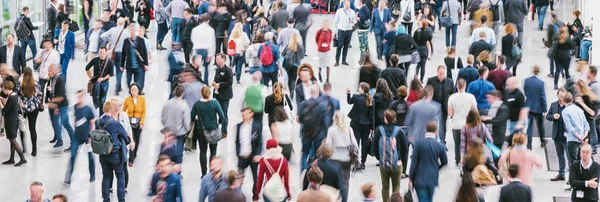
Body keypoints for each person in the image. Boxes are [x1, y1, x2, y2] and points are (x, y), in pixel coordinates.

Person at [372, 110, 408, 202]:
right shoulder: (399, 131)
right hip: (397, 163)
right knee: (396, 187)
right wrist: (403, 164)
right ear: (394, 119)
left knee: (385, 186)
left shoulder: (379, 130)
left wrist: (380, 158)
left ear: (385, 119)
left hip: (383, 164)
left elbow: (373, 148)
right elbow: (405, 149)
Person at [98, 101, 130, 202]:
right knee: (120, 176)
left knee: (106, 176)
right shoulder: (115, 123)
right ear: (111, 110)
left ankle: (106, 198)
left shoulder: (98, 122)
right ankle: (121, 199)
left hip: (102, 153)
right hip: (115, 154)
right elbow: (126, 136)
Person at [408, 121, 448, 202]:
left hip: (420, 179)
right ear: (436, 131)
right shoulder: (440, 146)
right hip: (432, 179)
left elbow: (414, 163)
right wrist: (436, 168)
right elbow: (445, 162)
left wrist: (410, 178)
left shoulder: (419, 144)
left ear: (426, 130)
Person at [64, 90, 96, 184]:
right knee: (73, 155)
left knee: (90, 156)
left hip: (87, 137)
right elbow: (75, 119)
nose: (78, 99)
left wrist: (91, 136)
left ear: (84, 97)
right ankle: (68, 178)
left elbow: (92, 123)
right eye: (77, 97)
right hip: (77, 137)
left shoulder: (88, 109)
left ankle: (92, 175)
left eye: (80, 97)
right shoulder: (75, 107)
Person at [325, 111, 357, 201]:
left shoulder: (331, 130)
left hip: (334, 159)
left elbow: (328, 145)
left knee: (334, 182)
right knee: (345, 182)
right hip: (346, 159)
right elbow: (354, 144)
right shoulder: (349, 130)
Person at [236, 107, 264, 201]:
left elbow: (260, 141)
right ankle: (238, 196)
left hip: (253, 156)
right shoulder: (239, 126)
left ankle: (255, 197)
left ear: (251, 114)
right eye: (243, 115)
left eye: (246, 114)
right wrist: (237, 152)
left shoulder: (256, 125)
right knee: (239, 178)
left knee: (255, 178)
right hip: (242, 156)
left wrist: (258, 154)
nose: (244, 117)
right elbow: (237, 141)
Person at [298, 84, 328, 171]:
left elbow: (300, 118)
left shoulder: (303, 104)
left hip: (306, 132)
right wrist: (325, 136)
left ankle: (303, 171)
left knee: (305, 153)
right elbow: (325, 122)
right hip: (318, 133)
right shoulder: (322, 106)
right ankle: (315, 171)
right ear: (318, 92)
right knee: (317, 154)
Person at [448, 79, 478, 165]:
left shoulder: (451, 97)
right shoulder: (471, 97)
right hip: (468, 125)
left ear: (457, 86)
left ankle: (458, 162)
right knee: (468, 143)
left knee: (457, 144)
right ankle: (467, 160)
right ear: (465, 86)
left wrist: (454, 114)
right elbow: (475, 111)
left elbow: (450, 113)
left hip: (456, 125)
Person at [161, 85, 191, 165]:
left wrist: (166, 127)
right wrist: (188, 130)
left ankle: (168, 166)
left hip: (168, 132)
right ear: (183, 93)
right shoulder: (184, 105)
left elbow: (163, 118)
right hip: (179, 133)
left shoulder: (167, 103)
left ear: (174, 92)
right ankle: (177, 169)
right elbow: (186, 122)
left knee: (167, 151)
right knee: (179, 152)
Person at [46, 64, 74, 149]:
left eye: (50, 70)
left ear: (55, 70)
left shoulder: (60, 79)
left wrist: (55, 104)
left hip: (62, 105)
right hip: (58, 105)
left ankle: (73, 141)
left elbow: (61, 95)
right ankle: (59, 139)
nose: (49, 72)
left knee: (65, 123)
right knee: (55, 121)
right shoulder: (53, 79)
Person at [347, 82, 374, 168]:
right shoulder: (371, 100)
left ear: (362, 89)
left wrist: (348, 94)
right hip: (366, 124)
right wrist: (372, 127)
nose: (358, 89)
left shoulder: (356, 97)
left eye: (360, 88)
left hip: (356, 122)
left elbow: (349, 102)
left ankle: (356, 160)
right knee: (365, 143)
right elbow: (371, 115)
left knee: (356, 142)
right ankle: (363, 162)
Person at [100, 18, 130, 95]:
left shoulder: (112, 30)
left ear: (117, 23)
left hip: (113, 53)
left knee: (111, 68)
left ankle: (106, 86)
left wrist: (110, 39)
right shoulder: (126, 33)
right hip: (122, 53)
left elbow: (102, 36)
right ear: (123, 24)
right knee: (119, 70)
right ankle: (118, 86)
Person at [426, 65, 454, 147]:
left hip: (444, 106)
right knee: (433, 124)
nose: (442, 75)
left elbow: (452, 94)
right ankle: (433, 141)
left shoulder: (449, 81)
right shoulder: (431, 80)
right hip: (434, 106)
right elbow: (427, 91)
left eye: (443, 73)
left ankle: (442, 143)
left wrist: (451, 107)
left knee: (442, 125)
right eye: (440, 73)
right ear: (437, 72)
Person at [0, 81, 26, 166]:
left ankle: (22, 158)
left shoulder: (11, 97)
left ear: (7, 88)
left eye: (3, 88)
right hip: (14, 120)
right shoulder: (14, 95)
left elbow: (4, 110)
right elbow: (10, 105)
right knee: (12, 139)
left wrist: (0, 103)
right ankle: (12, 158)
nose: (2, 89)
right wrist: (3, 100)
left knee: (12, 140)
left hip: (10, 121)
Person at [19, 67, 42, 156]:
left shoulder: (20, 84)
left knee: (22, 128)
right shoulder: (36, 84)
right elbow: (40, 96)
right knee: (32, 128)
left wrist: (22, 104)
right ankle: (34, 149)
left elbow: (17, 96)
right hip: (34, 109)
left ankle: (24, 148)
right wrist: (36, 103)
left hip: (23, 109)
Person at [562, 92, 589, 166]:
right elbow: (586, 125)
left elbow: (569, 127)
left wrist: (579, 137)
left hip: (573, 139)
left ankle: (574, 177)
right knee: (582, 162)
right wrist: (584, 136)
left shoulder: (565, 111)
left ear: (563, 100)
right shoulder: (579, 110)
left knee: (573, 163)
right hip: (582, 139)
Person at [122, 83, 146, 166]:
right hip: (130, 122)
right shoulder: (127, 100)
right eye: (132, 90)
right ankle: (131, 159)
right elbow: (123, 111)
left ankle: (134, 153)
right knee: (132, 139)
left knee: (137, 140)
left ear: (138, 90)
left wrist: (142, 122)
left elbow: (143, 112)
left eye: (135, 89)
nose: (134, 91)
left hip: (138, 122)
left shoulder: (142, 100)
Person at [524, 66, 548, 149]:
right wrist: (545, 109)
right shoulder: (540, 83)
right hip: (538, 107)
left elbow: (526, 93)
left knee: (529, 127)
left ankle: (529, 144)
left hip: (529, 106)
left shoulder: (527, 81)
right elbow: (542, 97)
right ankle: (542, 141)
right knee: (540, 125)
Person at [85, 47, 114, 115]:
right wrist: (91, 77)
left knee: (102, 100)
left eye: (103, 52)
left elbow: (111, 73)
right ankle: (96, 111)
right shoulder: (95, 60)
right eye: (100, 52)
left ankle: (101, 115)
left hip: (105, 83)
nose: (101, 54)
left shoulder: (109, 62)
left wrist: (103, 78)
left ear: (106, 52)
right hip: (96, 82)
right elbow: (87, 68)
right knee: (96, 99)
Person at [120, 24, 149, 93]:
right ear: (129, 32)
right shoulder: (126, 41)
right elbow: (123, 54)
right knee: (128, 81)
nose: (133, 32)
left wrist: (146, 64)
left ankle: (137, 95)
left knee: (138, 82)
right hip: (129, 66)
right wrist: (122, 65)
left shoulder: (141, 40)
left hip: (139, 66)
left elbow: (145, 53)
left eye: (134, 30)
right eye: (131, 30)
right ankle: (131, 92)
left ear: (136, 31)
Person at [548, 88, 569, 181]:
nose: (561, 98)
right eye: (560, 96)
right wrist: (553, 116)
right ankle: (561, 173)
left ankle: (572, 176)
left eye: (563, 96)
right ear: (557, 95)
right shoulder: (553, 105)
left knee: (570, 157)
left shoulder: (569, 106)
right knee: (560, 155)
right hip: (557, 134)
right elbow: (548, 116)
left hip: (567, 135)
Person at [481, 90, 509, 157]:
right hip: (492, 136)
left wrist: (487, 119)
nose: (487, 100)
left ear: (496, 97)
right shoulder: (492, 107)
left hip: (498, 137)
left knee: (496, 157)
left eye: (489, 97)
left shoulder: (503, 107)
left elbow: (500, 120)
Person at [574, 80, 599, 153]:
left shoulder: (586, 97)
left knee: (592, 132)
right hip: (583, 119)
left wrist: (581, 103)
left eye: (576, 86)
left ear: (579, 87)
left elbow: (591, 112)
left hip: (588, 118)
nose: (575, 88)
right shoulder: (578, 96)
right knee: (590, 132)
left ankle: (593, 148)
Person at [212, 53, 233, 136]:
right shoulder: (217, 70)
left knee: (224, 113)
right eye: (216, 59)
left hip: (224, 95)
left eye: (218, 59)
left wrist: (220, 85)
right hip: (217, 94)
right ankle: (217, 127)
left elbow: (230, 82)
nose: (217, 61)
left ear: (224, 59)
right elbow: (215, 78)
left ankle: (224, 131)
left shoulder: (228, 70)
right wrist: (214, 83)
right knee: (217, 112)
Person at [333, 0, 357, 66]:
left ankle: (344, 60)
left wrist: (352, 21)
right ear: (343, 4)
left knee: (346, 46)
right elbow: (336, 21)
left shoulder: (352, 12)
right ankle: (337, 60)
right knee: (339, 46)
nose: (347, 6)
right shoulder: (339, 11)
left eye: (348, 5)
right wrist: (335, 30)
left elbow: (355, 21)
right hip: (341, 30)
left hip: (349, 31)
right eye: (346, 4)